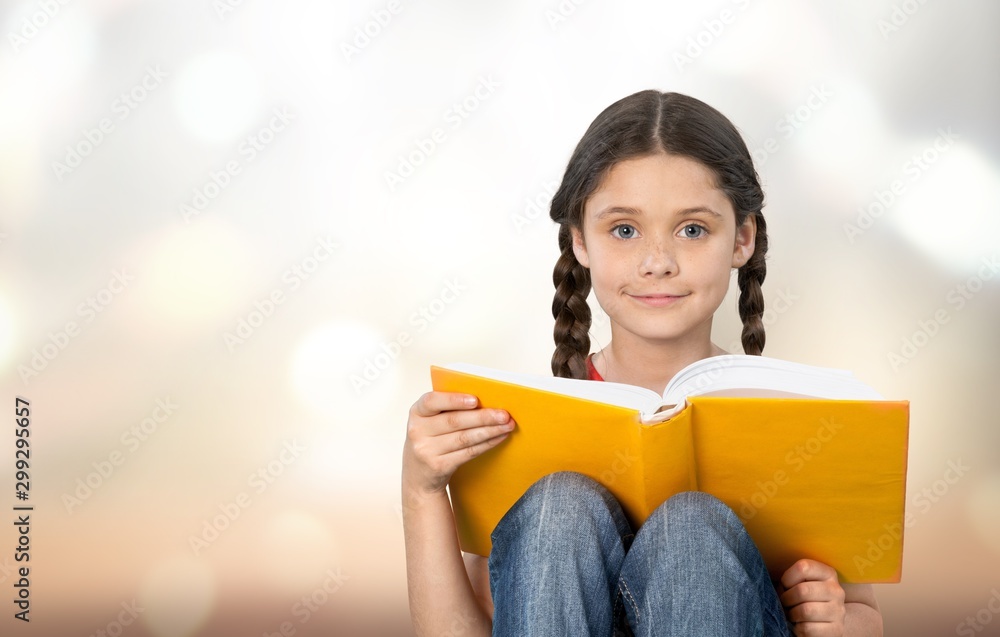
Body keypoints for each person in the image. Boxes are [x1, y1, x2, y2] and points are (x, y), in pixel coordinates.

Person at [402, 90, 884, 636]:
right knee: (557, 506)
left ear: (742, 239)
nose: (658, 262)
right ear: (580, 240)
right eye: (625, 230)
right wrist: (421, 488)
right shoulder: (529, 421)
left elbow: (861, 616)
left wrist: (835, 621)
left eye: (693, 229)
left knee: (690, 530)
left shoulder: (799, 417)